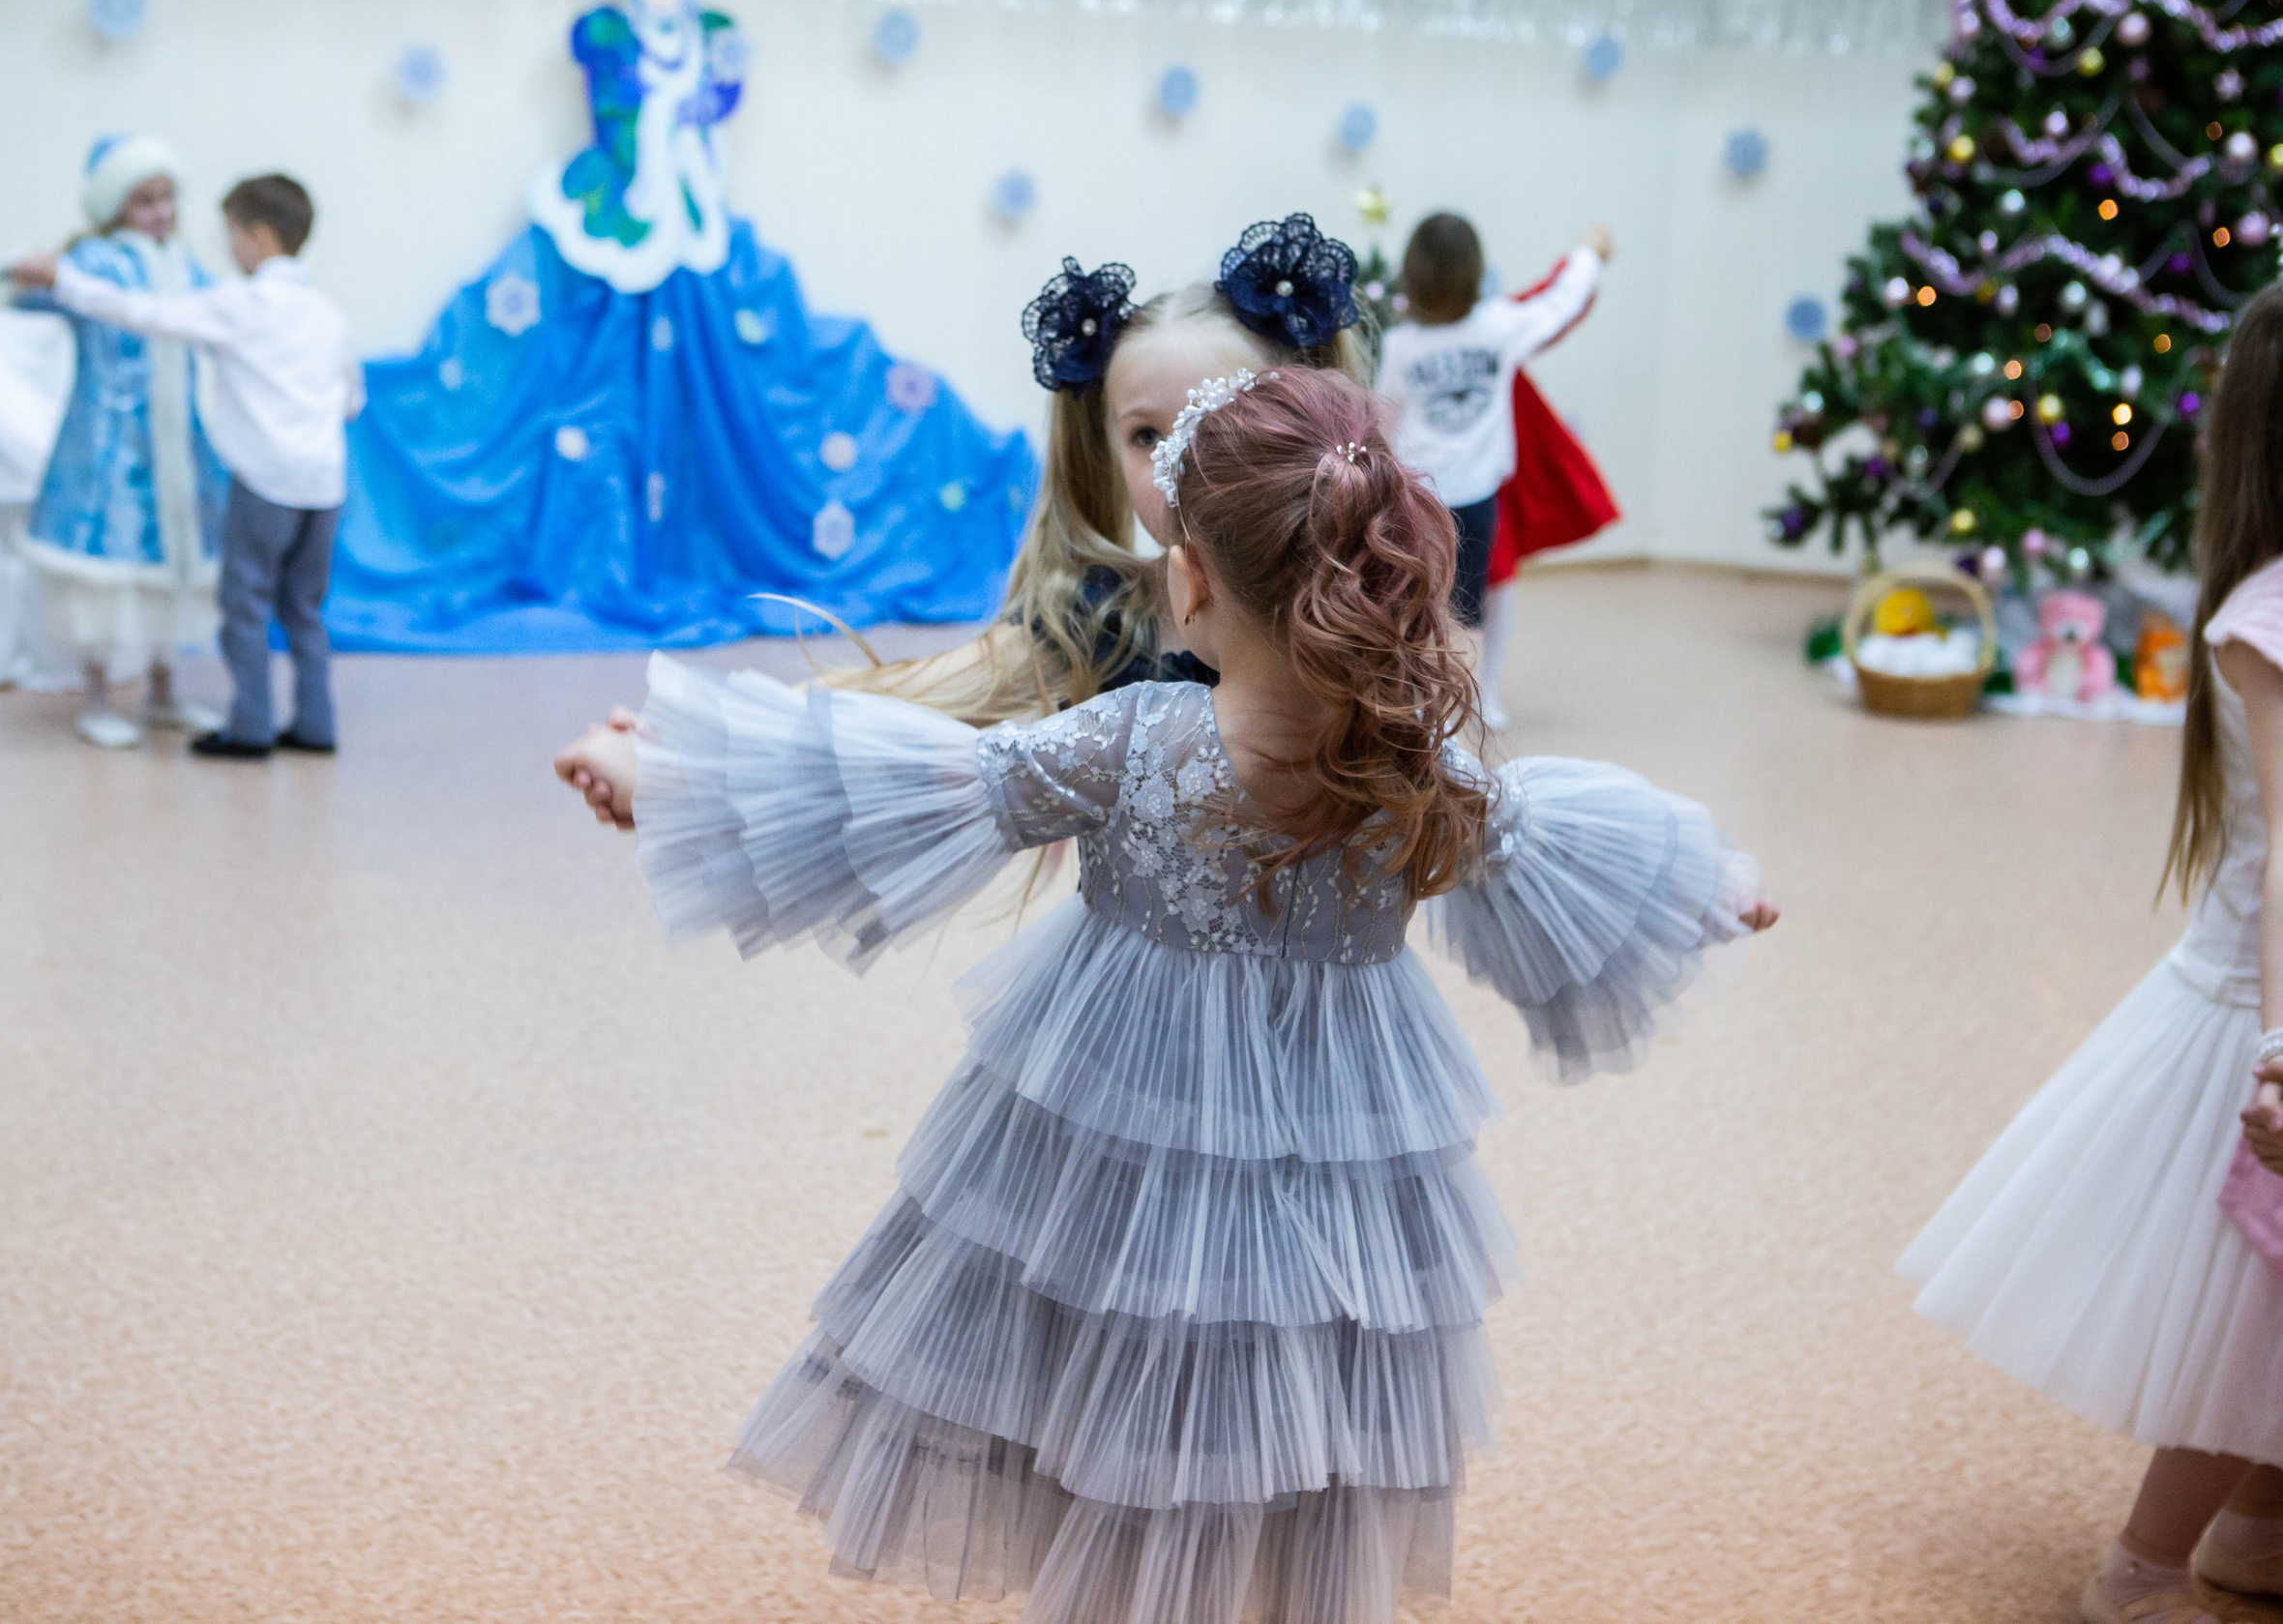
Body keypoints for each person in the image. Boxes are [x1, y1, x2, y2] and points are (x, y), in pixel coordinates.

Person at [554, 366, 1774, 1624]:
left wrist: (656, 777)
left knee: (1129, 1371)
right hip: (1337, 1144)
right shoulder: (1419, 761)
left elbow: (895, 795)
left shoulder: (1135, 737)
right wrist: (1714, 889)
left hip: (1122, 1127)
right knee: (1304, 1388)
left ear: (1190, 581)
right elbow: (1564, 855)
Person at [1899, 282, 2283, 1624]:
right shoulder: (2271, 615)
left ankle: (2255, 1524)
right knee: (2255, 1305)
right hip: (2258, 1008)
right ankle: (2141, 1570)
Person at [831, 213, 1373, 726]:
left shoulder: (1376, 608)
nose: (1178, 463)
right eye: (1146, 436)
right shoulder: (1096, 621)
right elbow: (881, 704)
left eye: (1219, 423)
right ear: (1107, 449)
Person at [10, 174, 361, 759]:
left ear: (259, 236)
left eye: (232, 236)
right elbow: (352, 398)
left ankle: (250, 728)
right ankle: (316, 725)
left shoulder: (240, 303)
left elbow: (143, 313)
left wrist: (62, 279)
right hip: (324, 488)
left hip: (265, 486)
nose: (228, 249)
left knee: (245, 607)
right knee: (304, 610)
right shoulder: (327, 314)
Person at [17, 134, 231, 748]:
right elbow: (28, 295)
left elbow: (223, 316)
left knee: (171, 569)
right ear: (115, 206)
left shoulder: (183, 265)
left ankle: (164, 691)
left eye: (167, 198)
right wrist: (38, 274)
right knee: (103, 575)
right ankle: (97, 699)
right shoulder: (97, 261)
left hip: (178, 446)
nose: (160, 212)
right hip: (108, 447)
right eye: (144, 200)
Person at [1376, 214, 1612, 728]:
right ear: (1476, 274)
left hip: (1425, 498)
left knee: (1428, 603)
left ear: (1410, 277)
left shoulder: (1402, 346)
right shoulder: (1498, 327)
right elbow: (1561, 302)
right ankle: (1469, 697)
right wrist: (1588, 252)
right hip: (1466, 498)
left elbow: (1385, 421)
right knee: (1474, 605)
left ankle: (1442, 698)